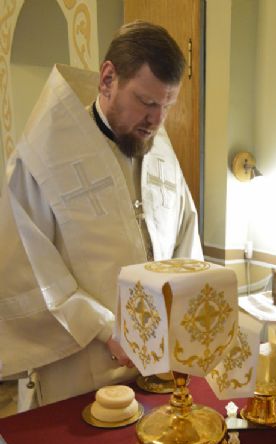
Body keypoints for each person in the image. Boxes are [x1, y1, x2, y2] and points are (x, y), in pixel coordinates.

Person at [0, 21, 203, 408]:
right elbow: (30, 263)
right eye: (146, 102)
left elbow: (185, 235)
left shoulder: (159, 148)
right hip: (83, 364)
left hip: (160, 364)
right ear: (108, 78)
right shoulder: (45, 153)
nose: (157, 120)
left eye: (167, 105)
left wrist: (183, 313)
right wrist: (105, 328)